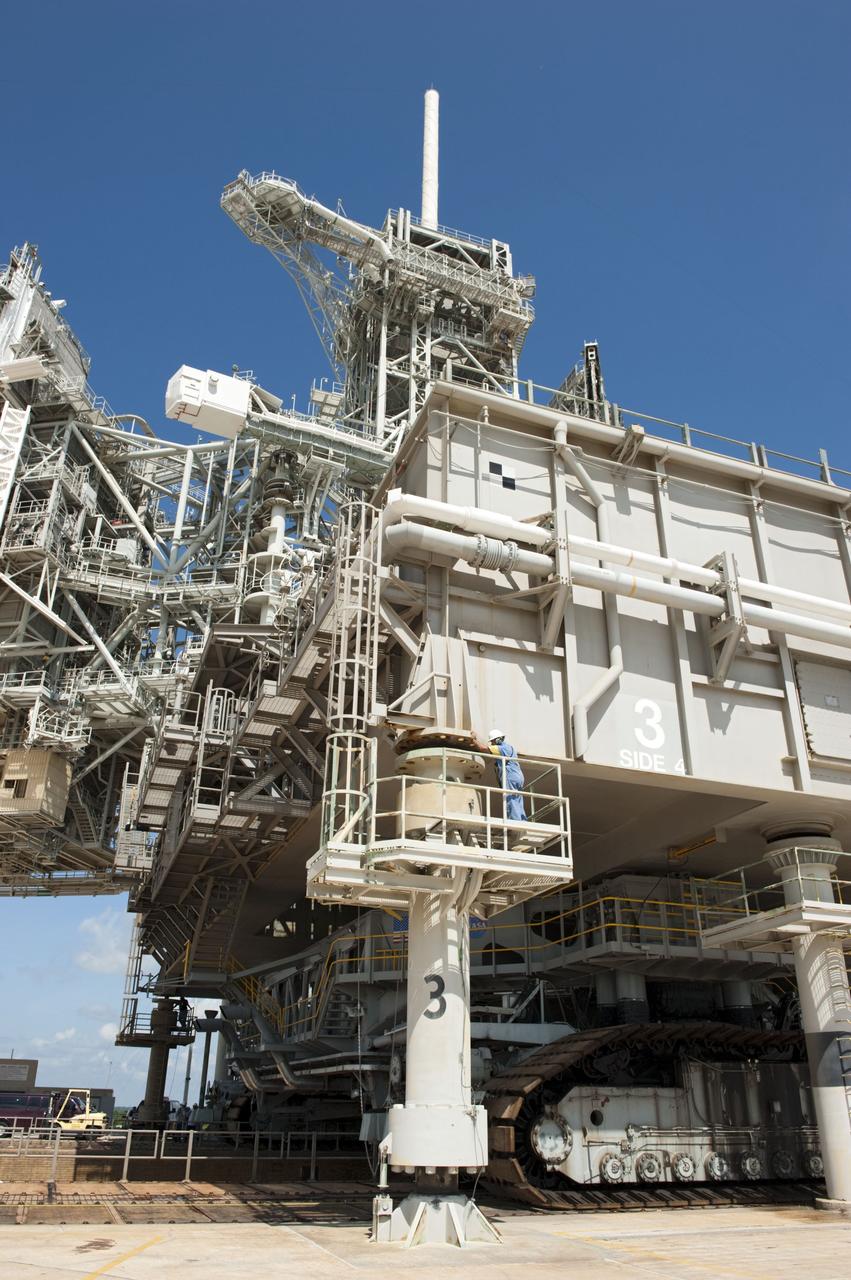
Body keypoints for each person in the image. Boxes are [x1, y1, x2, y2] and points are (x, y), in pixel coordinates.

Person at [475, 729, 527, 823]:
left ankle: (515, 822)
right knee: (517, 799)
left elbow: (483, 749)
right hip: (516, 776)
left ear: (498, 740)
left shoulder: (502, 748)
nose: (492, 744)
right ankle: (522, 820)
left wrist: (473, 739)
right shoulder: (508, 748)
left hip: (510, 776)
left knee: (510, 798)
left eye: (493, 741)